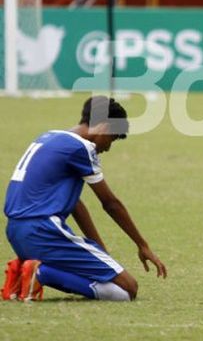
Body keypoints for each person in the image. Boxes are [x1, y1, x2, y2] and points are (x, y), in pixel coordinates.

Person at [2, 96, 167, 302]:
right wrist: (142, 245)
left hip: (16, 232)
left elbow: (76, 205)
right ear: (105, 127)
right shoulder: (81, 147)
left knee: (103, 279)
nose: (107, 148)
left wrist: (101, 251)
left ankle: (21, 272)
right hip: (44, 231)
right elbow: (110, 204)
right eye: (112, 138)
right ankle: (41, 272)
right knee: (128, 290)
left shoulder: (48, 137)